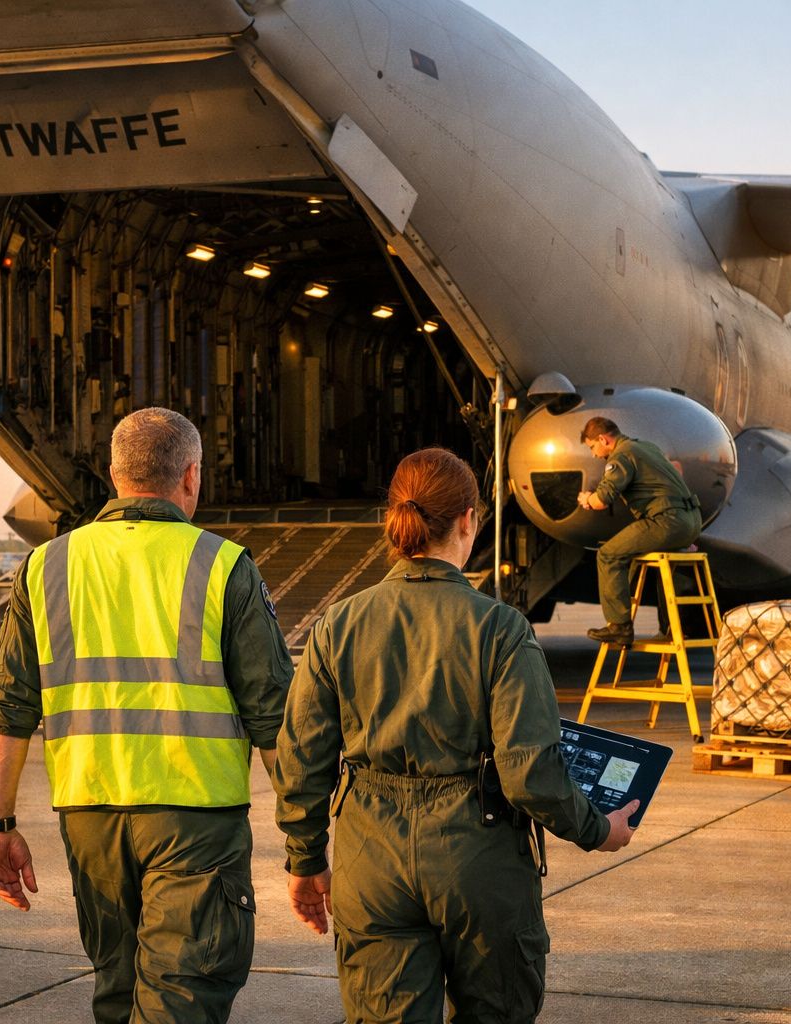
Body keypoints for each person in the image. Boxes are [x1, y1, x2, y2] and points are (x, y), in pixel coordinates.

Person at [274, 447, 638, 1024]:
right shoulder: (500, 630)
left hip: (370, 855)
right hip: (479, 855)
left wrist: (305, 858)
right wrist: (599, 829)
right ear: (469, 521)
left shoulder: (336, 625)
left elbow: (301, 759)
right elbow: (531, 775)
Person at [0, 406, 292, 1024]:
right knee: (182, 999)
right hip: (195, 820)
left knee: (118, 995)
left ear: (115, 476)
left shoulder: (48, 565)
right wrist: (306, 835)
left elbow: (9, 708)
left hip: (91, 820)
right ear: (191, 477)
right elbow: (272, 716)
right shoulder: (222, 564)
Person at [575, 416, 702, 646]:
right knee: (632, 555)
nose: (594, 454)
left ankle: (620, 626)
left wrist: (586, 499)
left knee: (608, 554)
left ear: (603, 439)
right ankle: (671, 629)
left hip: (666, 521)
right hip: (690, 521)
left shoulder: (621, 455)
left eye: (593, 447)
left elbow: (602, 500)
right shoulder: (646, 447)